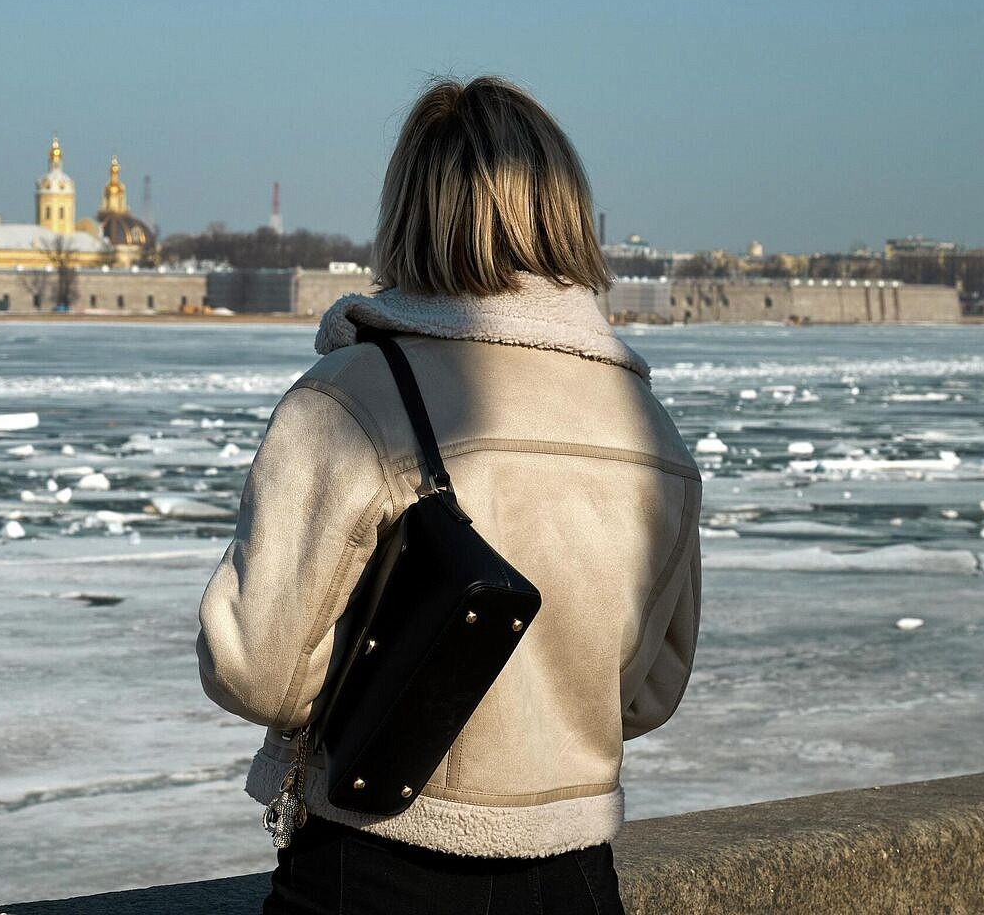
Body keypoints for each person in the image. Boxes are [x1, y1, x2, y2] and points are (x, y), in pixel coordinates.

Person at [197, 76, 701, 914]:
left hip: (378, 867)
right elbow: (651, 691)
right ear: (564, 211)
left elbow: (262, 674)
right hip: (575, 882)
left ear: (410, 210)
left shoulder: (353, 399)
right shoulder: (649, 429)